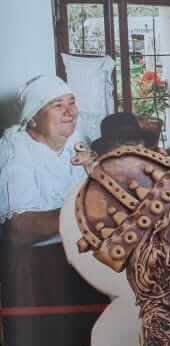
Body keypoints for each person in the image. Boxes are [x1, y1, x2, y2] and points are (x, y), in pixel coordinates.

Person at [0, 74, 106, 307]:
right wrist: (84, 212)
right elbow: (18, 229)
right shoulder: (16, 151)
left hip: (82, 257)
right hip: (39, 269)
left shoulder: (73, 139)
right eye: (57, 105)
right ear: (33, 119)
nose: (70, 112)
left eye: (71, 102)